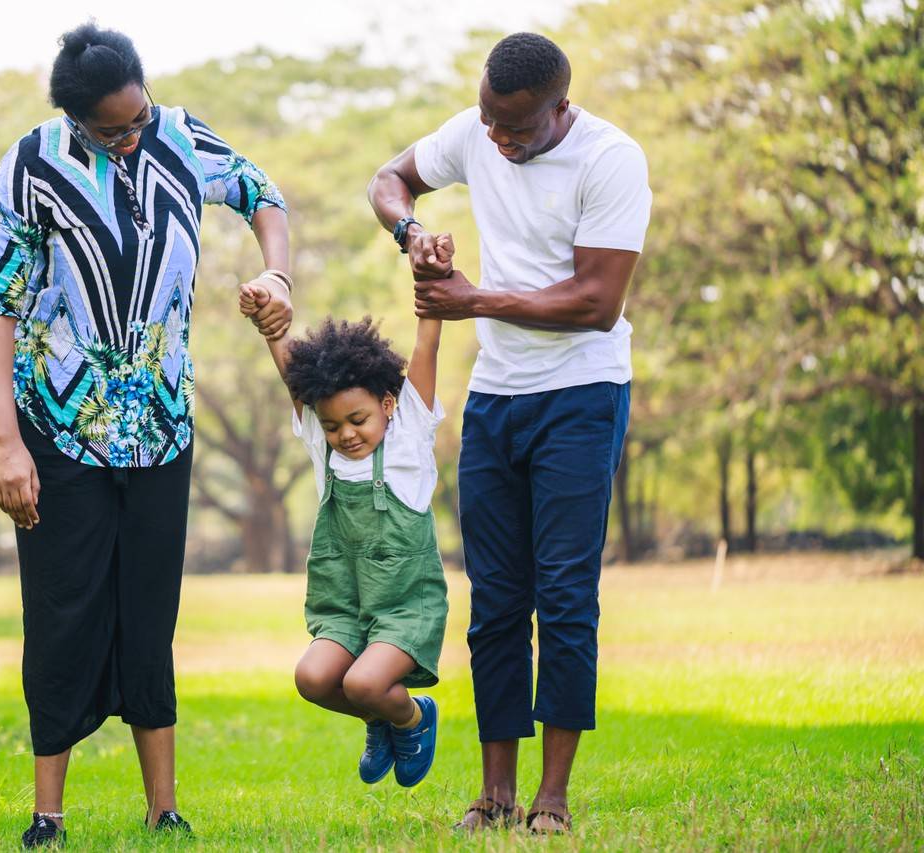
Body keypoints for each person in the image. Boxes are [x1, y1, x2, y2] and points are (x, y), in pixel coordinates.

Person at [0, 22, 292, 847]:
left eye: (138, 118)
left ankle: (164, 807)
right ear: (76, 119)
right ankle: (48, 813)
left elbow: (263, 194)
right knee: (60, 615)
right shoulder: (32, 165)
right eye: (113, 130)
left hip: (161, 428)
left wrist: (276, 270)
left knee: (151, 616)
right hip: (59, 430)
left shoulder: (181, 136)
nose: (132, 138)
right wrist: (6, 442)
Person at [368, 32, 651, 834]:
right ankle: (495, 792)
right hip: (496, 395)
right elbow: (388, 180)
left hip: (582, 393)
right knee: (494, 600)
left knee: (564, 596)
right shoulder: (478, 129)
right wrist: (410, 234)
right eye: (489, 120)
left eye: (515, 128)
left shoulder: (610, 159)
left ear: (559, 107)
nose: (496, 139)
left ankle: (551, 797)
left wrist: (476, 301)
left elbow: (599, 300)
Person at [238, 271, 450, 790]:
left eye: (357, 420)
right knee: (312, 679)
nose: (345, 435)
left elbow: (427, 343)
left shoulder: (408, 442)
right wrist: (271, 328)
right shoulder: (323, 449)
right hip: (345, 609)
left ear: (387, 404)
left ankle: (412, 718)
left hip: (405, 607)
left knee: (362, 682)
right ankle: (380, 716)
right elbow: (294, 376)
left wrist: (435, 286)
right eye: (332, 426)